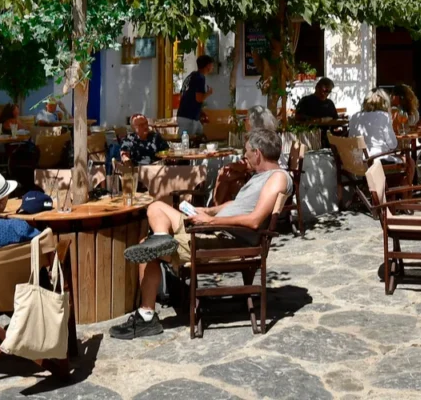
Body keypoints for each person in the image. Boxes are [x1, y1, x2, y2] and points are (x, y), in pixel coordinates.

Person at [109, 129, 291, 339]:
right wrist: (209, 211)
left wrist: (211, 221)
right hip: (217, 230)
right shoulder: (261, 177)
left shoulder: (276, 178)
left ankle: (147, 315)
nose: (245, 157)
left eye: (247, 153)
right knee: (156, 207)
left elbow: (254, 220)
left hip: (227, 240)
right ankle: (161, 239)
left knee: (147, 245)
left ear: (257, 153)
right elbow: (239, 205)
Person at [348, 89, 400, 164]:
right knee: (409, 161)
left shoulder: (355, 116)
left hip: (358, 161)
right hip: (377, 160)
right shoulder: (384, 116)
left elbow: (350, 139)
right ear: (385, 103)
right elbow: (393, 144)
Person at [176, 55, 215, 137]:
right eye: (212, 65)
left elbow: (187, 95)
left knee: (201, 137)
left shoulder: (191, 76)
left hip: (186, 115)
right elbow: (198, 98)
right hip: (189, 118)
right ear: (208, 66)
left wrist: (200, 111)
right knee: (187, 143)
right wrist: (208, 93)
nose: (213, 67)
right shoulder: (200, 78)